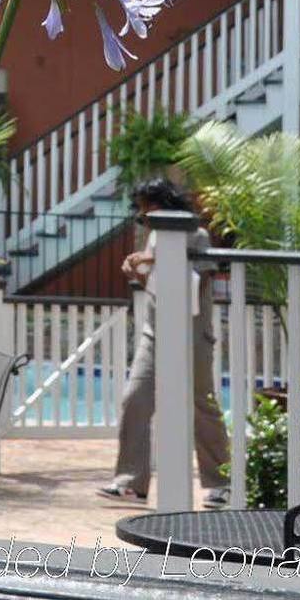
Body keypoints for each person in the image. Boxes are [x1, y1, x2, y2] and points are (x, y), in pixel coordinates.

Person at [99, 177, 231, 506]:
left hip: (192, 333)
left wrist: (153, 261)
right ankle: (131, 483)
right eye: (141, 214)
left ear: (165, 205)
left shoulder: (197, 236)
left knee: (202, 404)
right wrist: (137, 268)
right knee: (135, 399)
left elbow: (198, 278)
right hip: (154, 332)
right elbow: (153, 282)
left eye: (147, 211)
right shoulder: (153, 234)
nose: (144, 219)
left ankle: (221, 484)